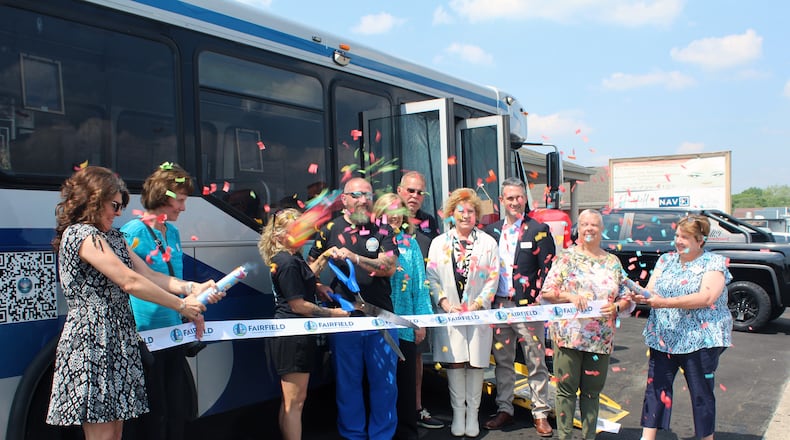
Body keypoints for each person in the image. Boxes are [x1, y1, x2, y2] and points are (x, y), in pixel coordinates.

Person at [46, 166, 212, 440]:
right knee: (102, 433)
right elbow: (128, 281)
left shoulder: (114, 237)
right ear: (92, 199)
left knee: (116, 432)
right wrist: (181, 305)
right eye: (114, 205)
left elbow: (148, 275)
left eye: (122, 205)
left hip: (119, 338)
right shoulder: (80, 235)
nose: (119, 212)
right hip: (92, 341)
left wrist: (192, 288)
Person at [119, 162, 216, 440]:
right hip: (145, 336)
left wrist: (192, 304)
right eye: (181, 200)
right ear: (164, 196)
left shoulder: (171, 233)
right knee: (153, 415)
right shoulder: (133, 231)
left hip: (173, 332)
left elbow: (173, 280)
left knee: (176, 409)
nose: (183, 208)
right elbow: (134, 280)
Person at [307, 177, 400, 440]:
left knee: (385, 385)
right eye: (357, 195)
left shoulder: (382, 229)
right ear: (344, 199)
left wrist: (355, 257)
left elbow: (389, 267)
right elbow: (310, 269)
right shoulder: (328, 229)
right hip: (344, 319)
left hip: (381, 319)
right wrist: (317, 286)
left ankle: (382, 436)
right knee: (348, 385)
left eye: (368, 195)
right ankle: (353, 436)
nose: (363, 200)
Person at [634, 215, 732, 440]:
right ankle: (646, 437)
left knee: (701, 393)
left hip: (700, 338)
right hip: (663, 336)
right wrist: (639, 295)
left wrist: (664, 303)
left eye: (685, 237)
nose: (678, 241)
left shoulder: (714, 263)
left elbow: (706, 297)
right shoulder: (666, 261)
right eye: (677, 235)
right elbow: (652, 291)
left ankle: (706, 437)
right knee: (656, 388)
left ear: (700, 241)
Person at [540, 209, 634, 440]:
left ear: (602, 230)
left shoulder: (612, 262)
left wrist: (618, 307)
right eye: (585, 225)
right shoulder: (565, 258)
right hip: (568, 336)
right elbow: (547, 292)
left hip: (600, 339)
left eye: (594, 225)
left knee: (592, 393)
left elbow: (626, 296)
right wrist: (569, 297)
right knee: (566, 390)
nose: (589, 229)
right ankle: (564, 436)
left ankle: (589, 436)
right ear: (578, 230)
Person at [258, 208, 351, 440]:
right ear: (280, 236)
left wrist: (324, 256)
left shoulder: (292, 258)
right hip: (294, 336)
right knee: (295, 403)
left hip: (294, 335)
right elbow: (298, 305)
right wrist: (334, 314)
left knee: (291, 401)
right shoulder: (287, 262)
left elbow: (307, 275)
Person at [482, 177, 555, 437]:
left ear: (525, 198)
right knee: (503, 361)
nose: (515, 202)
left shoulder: (539, 229)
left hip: (528, 308)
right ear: (501, 201)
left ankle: (540, 413)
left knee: (536, 361)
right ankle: (505, 409)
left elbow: (549, 269)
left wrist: (539, 299)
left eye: (519, 197)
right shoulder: (489, 231)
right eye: (509, 198)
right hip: (499, 306)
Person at [426, 187, 499, 438]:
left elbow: (493, 278)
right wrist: (445, 303)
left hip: (478, 314)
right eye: (461, 211)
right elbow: (432, 277)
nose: (466, 215)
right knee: (456, 362)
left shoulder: (488, 242)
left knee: (477, 363)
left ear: (476, 214)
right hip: (451, 314)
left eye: (470, 211)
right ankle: (458, 414)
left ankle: (473, 415)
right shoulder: (439, 243)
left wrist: (478, 304)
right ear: (451, 214)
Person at [372, 193, 433, 440]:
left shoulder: (411, 243)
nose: (395, 217)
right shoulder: (373, 241)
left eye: (399, 211)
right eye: (390, 211)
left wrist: (421, 323)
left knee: (405, 385)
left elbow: (420, 284)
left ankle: (407, 433)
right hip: (378, 325)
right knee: (382, 385)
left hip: (406, 326)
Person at [396, 171, 444, 430]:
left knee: (415, 359)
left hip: (418, 302)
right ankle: (393, 412)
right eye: (410, 190)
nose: (415, 196)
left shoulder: (429, 223)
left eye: (419, 192)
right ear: (400, 190)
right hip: (390, 304)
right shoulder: (386, 220)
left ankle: (415, 408)